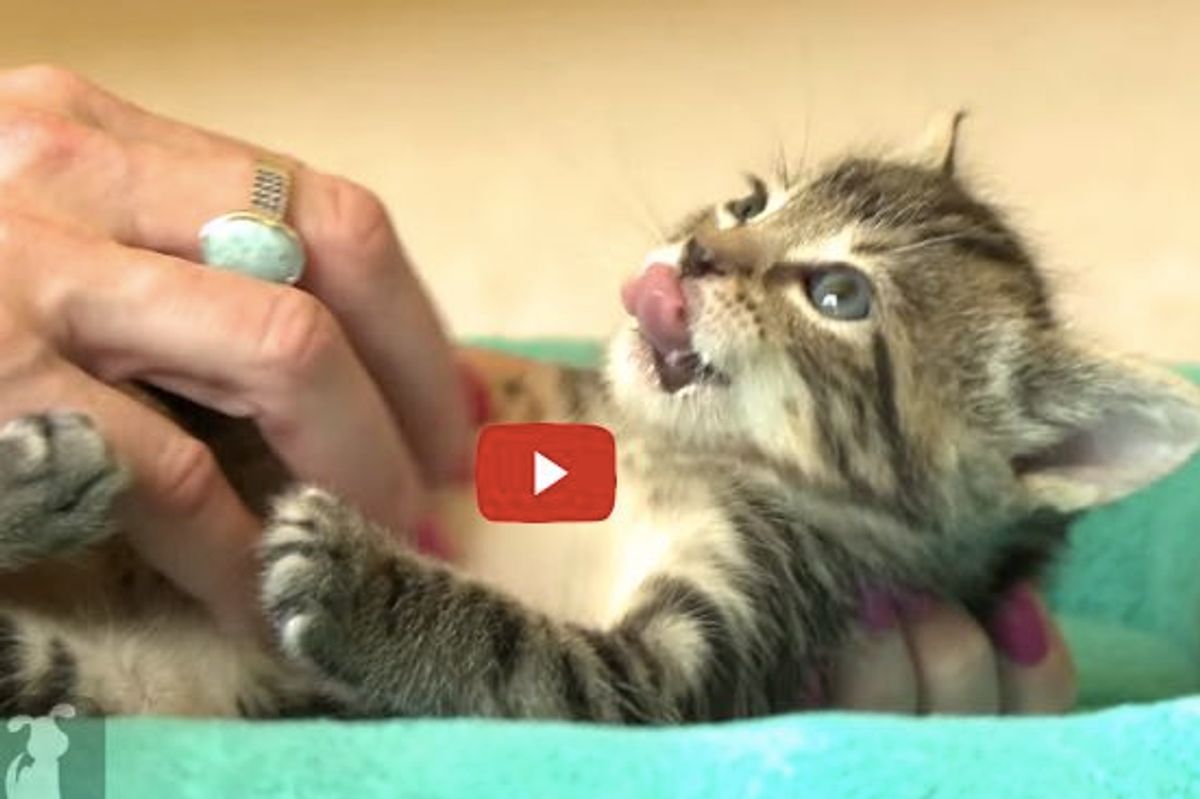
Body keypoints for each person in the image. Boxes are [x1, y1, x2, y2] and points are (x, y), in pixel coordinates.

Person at [0, 64, 1074, 715]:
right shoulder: (664, 439)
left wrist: (395, 610)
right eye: (751, 202)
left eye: (837, 291)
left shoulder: (805, 550)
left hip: (210, 666)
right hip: (216, 553)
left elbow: (637, 688)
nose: (715, 243)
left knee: (104, 710)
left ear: (1028, 453)